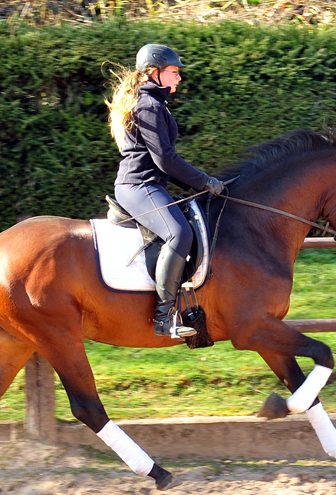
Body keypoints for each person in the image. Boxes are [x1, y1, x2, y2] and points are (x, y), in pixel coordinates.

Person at [107, 44, 224, 338]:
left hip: (148, 184)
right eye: (174, 72)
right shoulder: (148, 106)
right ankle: (163, 318)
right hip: (138, 186)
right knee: (179, 233)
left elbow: (164, 161)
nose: (179, 78)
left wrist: (201, 186)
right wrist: (203, 181)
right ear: (154, 72)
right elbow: (165, 159)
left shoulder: (153, 102)